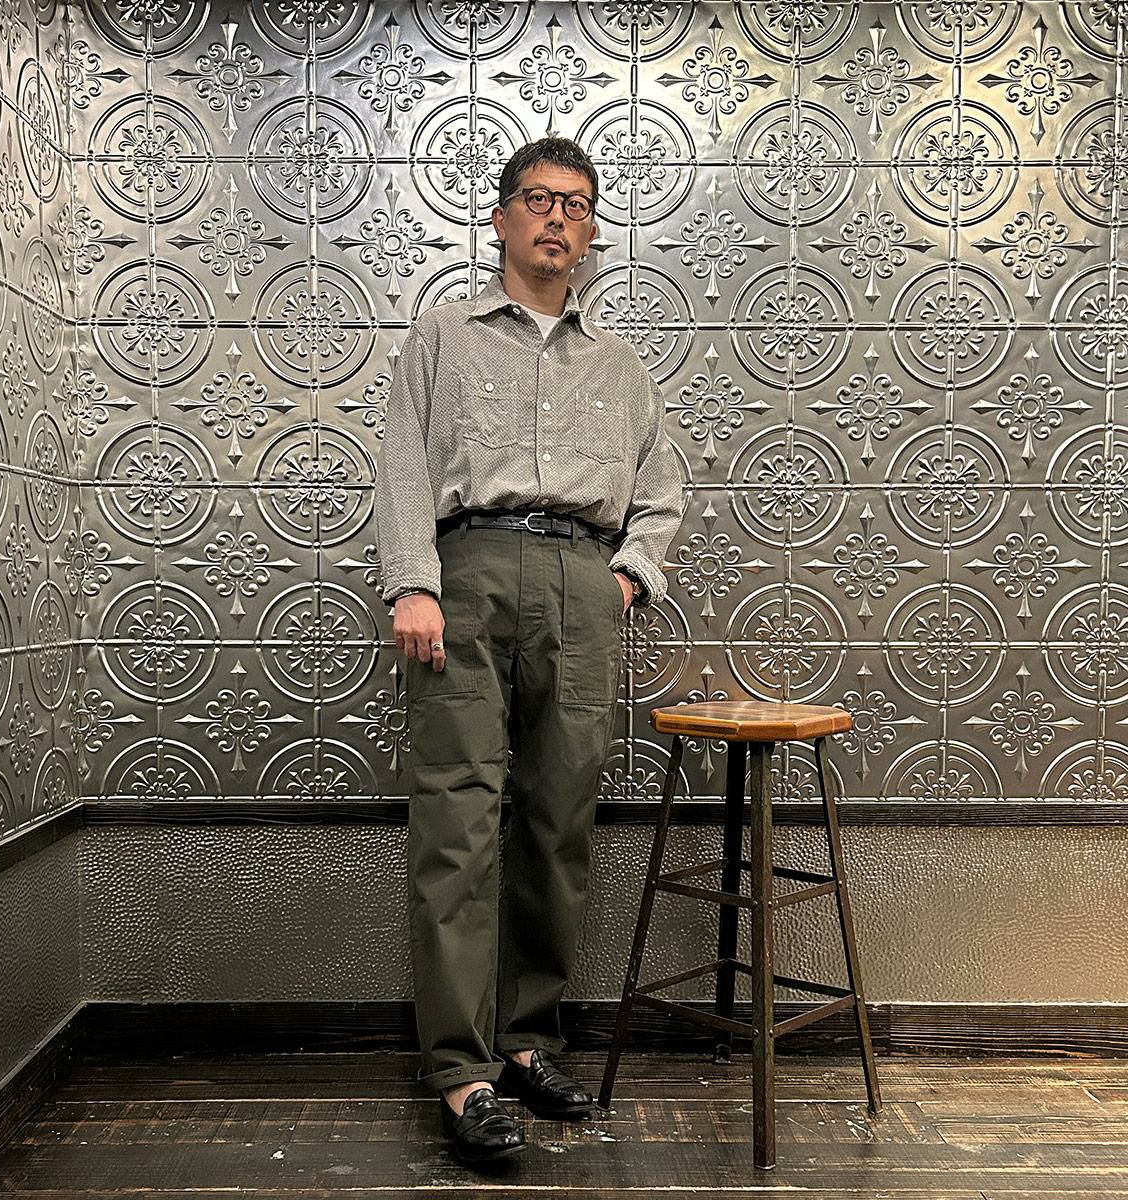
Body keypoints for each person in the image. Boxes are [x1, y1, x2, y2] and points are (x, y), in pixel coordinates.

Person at [374, 136, 684, 1165]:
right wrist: (413, 581)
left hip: (581, 583)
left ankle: (526, 1040)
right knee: (458, 818)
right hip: (466, 575)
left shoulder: (620, 364)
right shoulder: (443, 337)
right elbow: (402, 464)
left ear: (590, 235)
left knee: (558, 820)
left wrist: (627, 576)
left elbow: (663, 486)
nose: (558, 218)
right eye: (540, 199)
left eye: (577, 205)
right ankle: (461, 1073)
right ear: (503, 216)